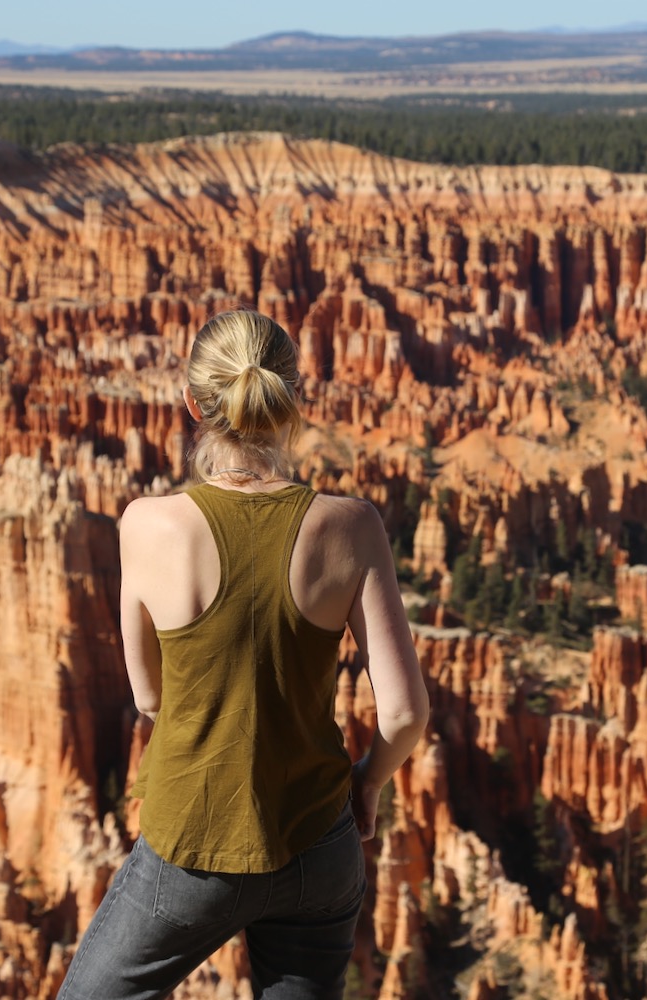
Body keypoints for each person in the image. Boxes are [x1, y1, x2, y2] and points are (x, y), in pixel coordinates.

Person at [57, 309, 429, 1000]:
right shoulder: (352, 526)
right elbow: (405, 715)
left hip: (189, 852)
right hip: (318, 846)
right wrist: (368, 783)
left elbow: (149, 698)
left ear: (194, 405)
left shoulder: (147, 524)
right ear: (290, 399)